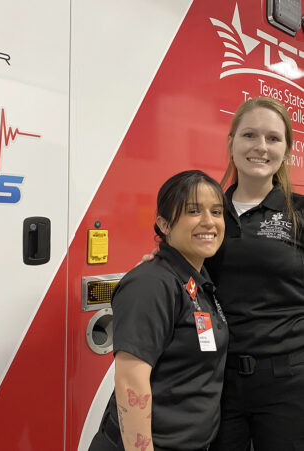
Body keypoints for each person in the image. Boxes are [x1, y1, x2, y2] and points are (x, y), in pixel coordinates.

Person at [143, 97, 304, 451]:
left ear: (287, 152)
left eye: (273, 139)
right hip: (216, 378)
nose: (261, 147)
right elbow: (181, 261)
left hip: (288, 382)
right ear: (231, 143)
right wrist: (157, 263)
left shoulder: (299, 213)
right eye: (249, 135)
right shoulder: (211, 212)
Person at [89, 170, 229, 451]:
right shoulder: (151, 283)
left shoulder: (193, 278)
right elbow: (131, 381)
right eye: (193, 211)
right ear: (164, 224)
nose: (209, 221)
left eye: (216, 211)